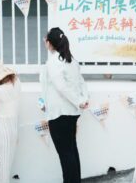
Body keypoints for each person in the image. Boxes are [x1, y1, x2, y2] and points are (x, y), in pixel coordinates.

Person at [40, 28, 89, 182]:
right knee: (71, 151)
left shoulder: (54, 62)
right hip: (71, 113)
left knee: (66, 154)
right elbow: (81, 82)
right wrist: (83, 99)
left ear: (49, 43)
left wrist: (80, 101)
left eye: (45, 39)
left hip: (59, 114)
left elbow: (61, 87)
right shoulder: (70, 59)